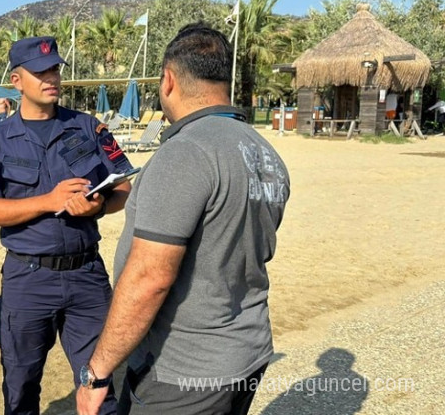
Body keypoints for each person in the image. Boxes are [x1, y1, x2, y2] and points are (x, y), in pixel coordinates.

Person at [76, 23, 291, 415]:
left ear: (168, 80)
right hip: (247, 351)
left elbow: (149, 278)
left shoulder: (186, 152)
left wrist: (97, 373)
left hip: (185, 372)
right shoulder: (266, 155)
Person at [0, 36, 134, 415]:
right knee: (21, 388)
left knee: (100, 388)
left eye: (55, 69)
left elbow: (124, 189)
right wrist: (49, 201)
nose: (51, 78)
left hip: (86, 277)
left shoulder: (89, 129)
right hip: (28, 280)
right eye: (40, 72)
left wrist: (97, 208)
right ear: (17, 80)